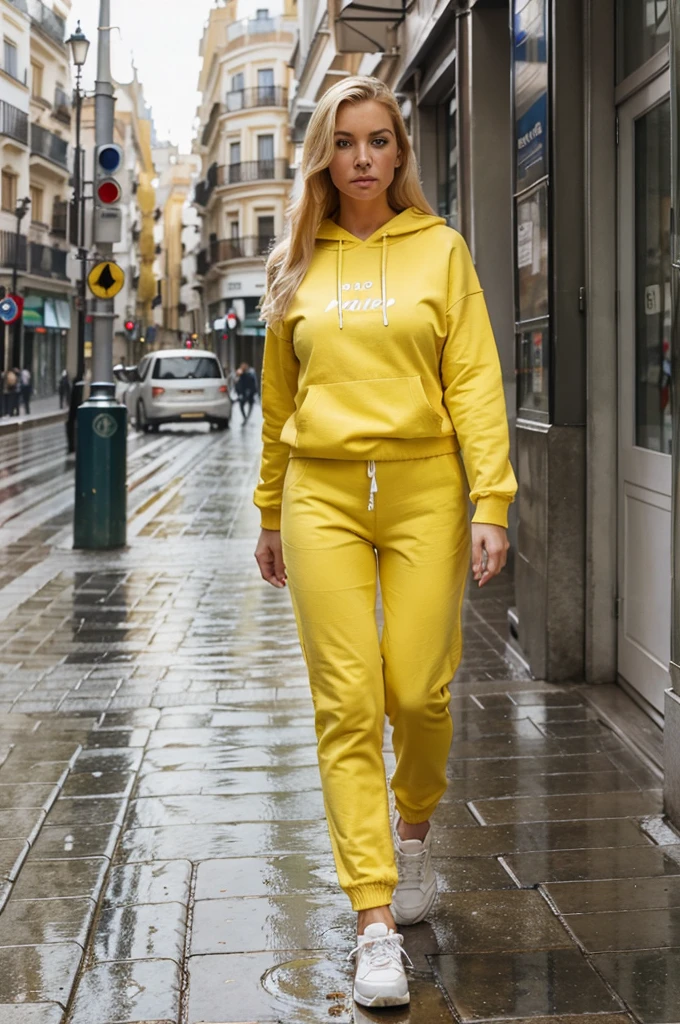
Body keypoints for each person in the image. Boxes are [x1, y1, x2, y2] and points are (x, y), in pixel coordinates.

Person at [253, 76, 516, 1009]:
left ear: (401, 153)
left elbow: (476, 380)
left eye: (378, 141)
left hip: (425, 489)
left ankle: (412, 832)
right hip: (322, 491)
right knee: (348, 701)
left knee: (418, 686)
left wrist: (493, 498)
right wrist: (271, 509)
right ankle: (373, 921)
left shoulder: (441, 252)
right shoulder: (294, 263)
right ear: (325, 155)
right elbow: (279, 401)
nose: (362, 157)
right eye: (345, 142)